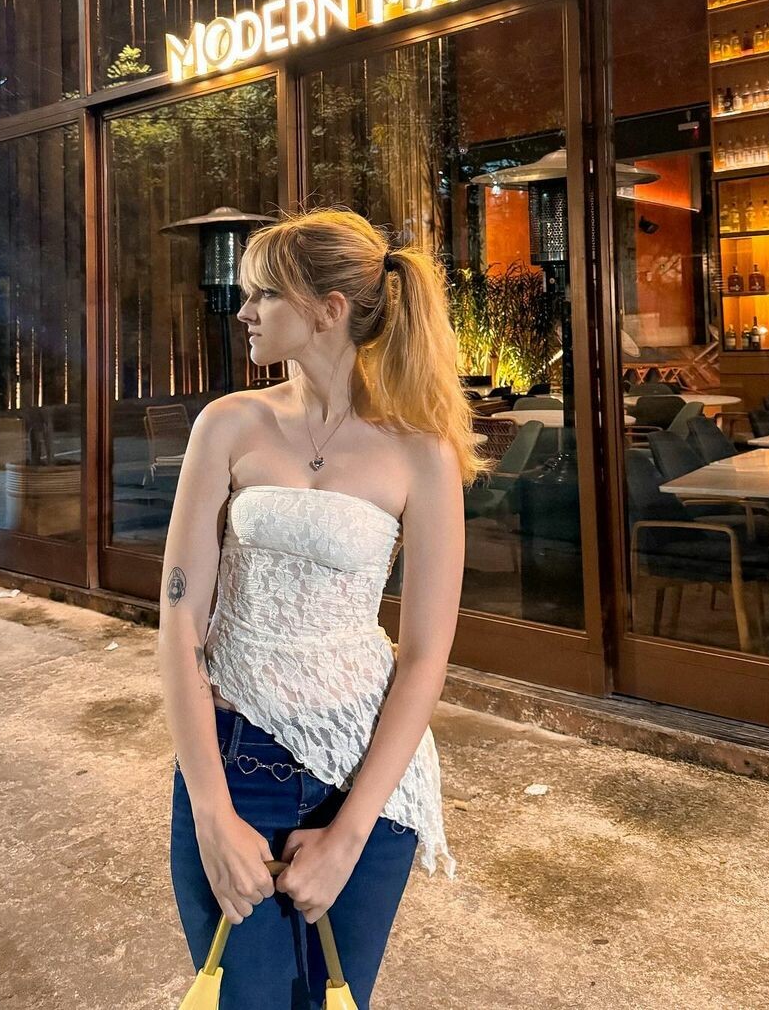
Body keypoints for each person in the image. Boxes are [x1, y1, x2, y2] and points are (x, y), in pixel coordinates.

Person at [159, 204, 493, 1008]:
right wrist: (210, 811)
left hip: (366, 773)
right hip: (235, 759)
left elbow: (425, 654)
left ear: (326, 309)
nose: (243, 311)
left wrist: (349, 836)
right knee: (242, 997)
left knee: (333, 1000)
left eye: (262, 294)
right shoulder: (229, 424)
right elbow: (179, 620)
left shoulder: (422, 448)